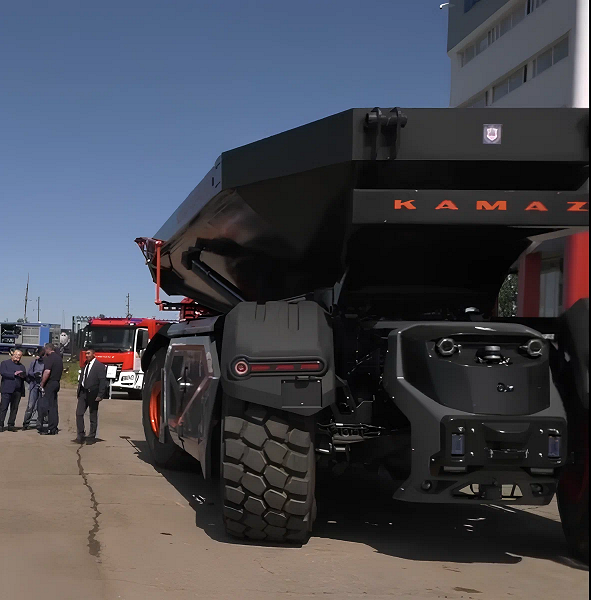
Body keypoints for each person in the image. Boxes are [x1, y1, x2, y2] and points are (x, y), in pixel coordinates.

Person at [75, 347, 107, 444]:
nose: (87, 355)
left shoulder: (99, 366)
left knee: (93, 415)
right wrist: (79, 391)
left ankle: (92, 436)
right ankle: (81, 435)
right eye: (86, 354)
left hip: (93, 393)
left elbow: (102, 382)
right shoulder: (85, 364)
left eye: (88, 353)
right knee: (79, 413)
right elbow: (82, 378)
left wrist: (100, 395)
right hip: (83, 393)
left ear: (93, 354)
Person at [38, 343, 63, 435]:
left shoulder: (50, 358)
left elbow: (47, 372)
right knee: (54, 406)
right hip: (56, 382)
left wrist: (42, 384)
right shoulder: (59, 358)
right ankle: (54, 427)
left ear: (47, 349)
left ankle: (50, 428)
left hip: (50, 383)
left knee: (48, 406)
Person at [0, 349, 27, 432]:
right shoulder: (5, 363)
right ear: (12, 355)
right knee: (3, 408)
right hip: (7, 389)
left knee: (14, 408)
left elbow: (25, 378)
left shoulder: (22, 366)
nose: (17, 357)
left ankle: (11, 425)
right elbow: (3, 373)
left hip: (17, 390)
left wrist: (24, 376)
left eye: (19, 356)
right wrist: (14, 374)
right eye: (16, 355)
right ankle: (0, 424)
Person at [22, 348, 45, 430]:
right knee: (31, 406)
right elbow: (29, 372)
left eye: (42, 355)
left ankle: (39, 423)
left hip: (43, 386)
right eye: (39, 355)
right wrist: (35, 374)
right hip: (34, 385)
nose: (40, 357)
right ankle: (26, 423)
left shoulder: (47, 363)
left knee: (40, 406)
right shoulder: (34, 362)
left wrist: (41, 375)